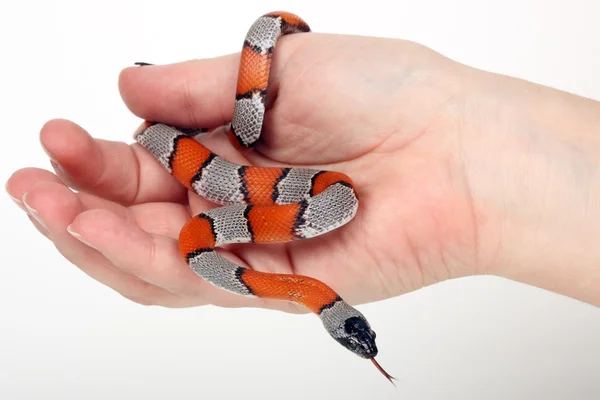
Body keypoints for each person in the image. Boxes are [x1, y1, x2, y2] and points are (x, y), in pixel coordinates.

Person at [6, 33, 600, 310]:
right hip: (245, 195)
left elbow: (216, 228)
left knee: (184, 196)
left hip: (241, 201)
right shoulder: (298, 265)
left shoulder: (298, 275)